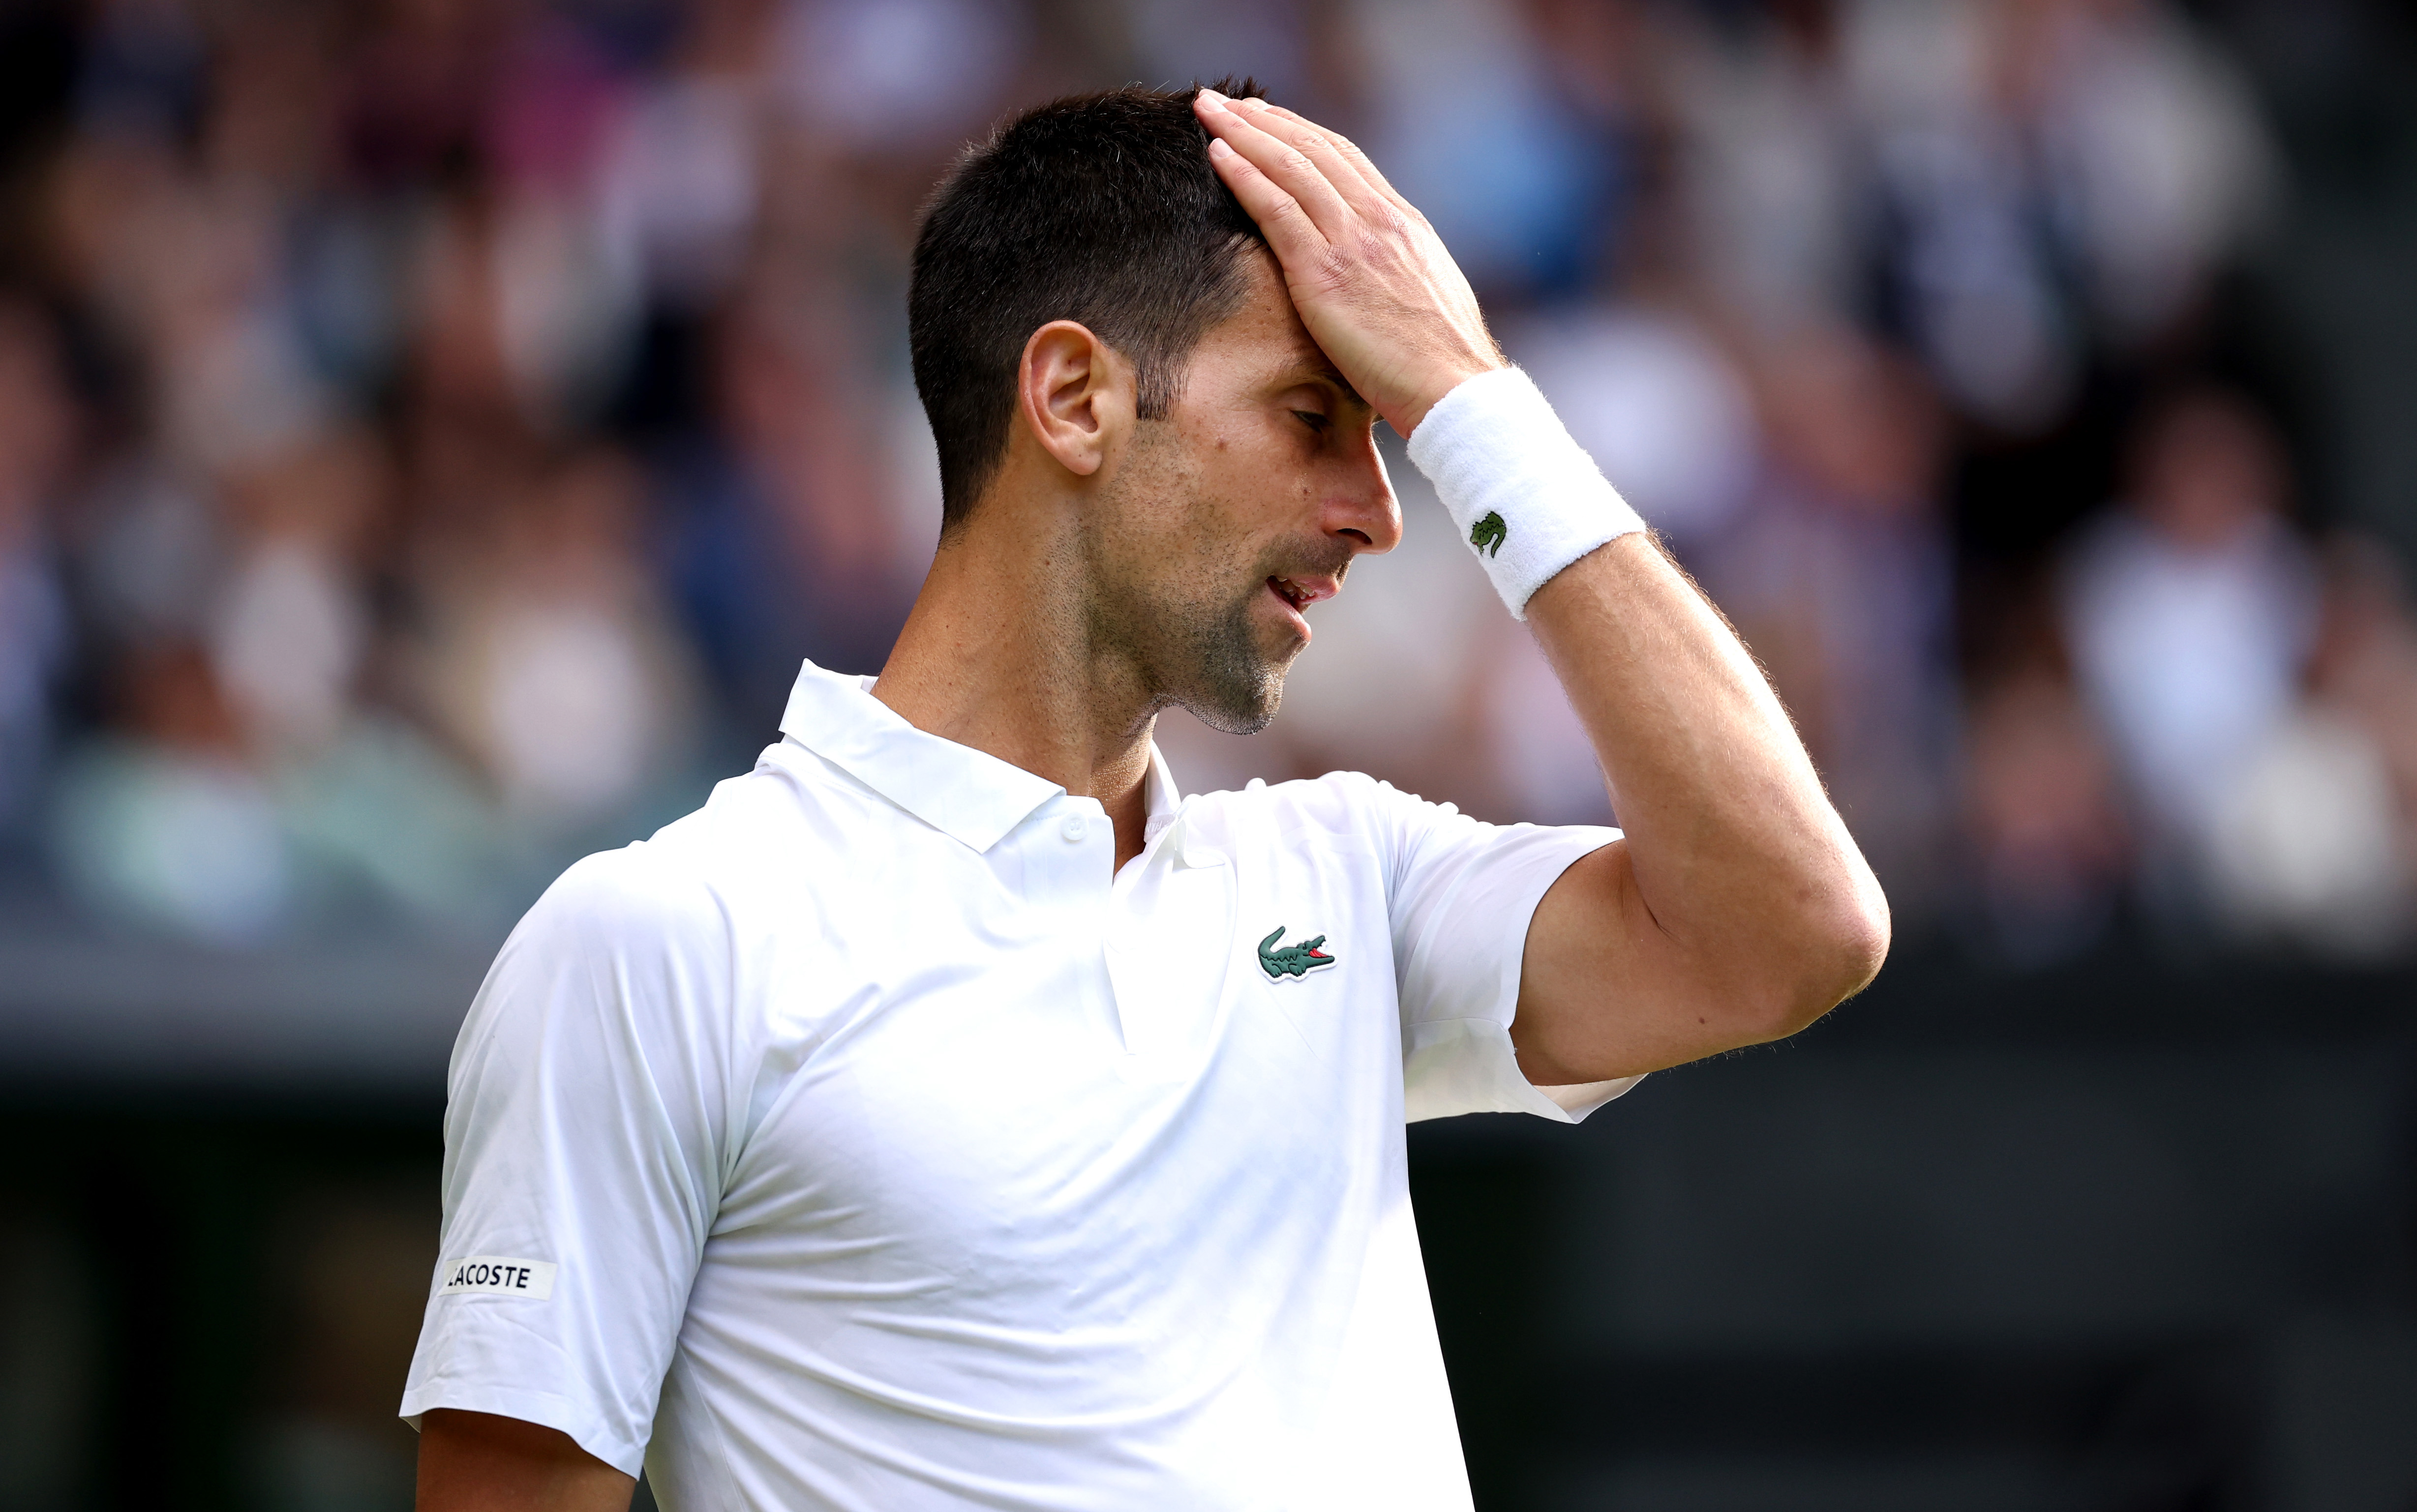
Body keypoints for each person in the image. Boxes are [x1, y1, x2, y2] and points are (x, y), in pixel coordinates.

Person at [400, 82, 1888, 1512]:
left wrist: (1475, 403)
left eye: (1392, 435)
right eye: (1313, 415)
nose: (1380, 512)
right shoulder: (661, 939)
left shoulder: (1347, 875)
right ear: (1073, 398)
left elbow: (1793, 930)